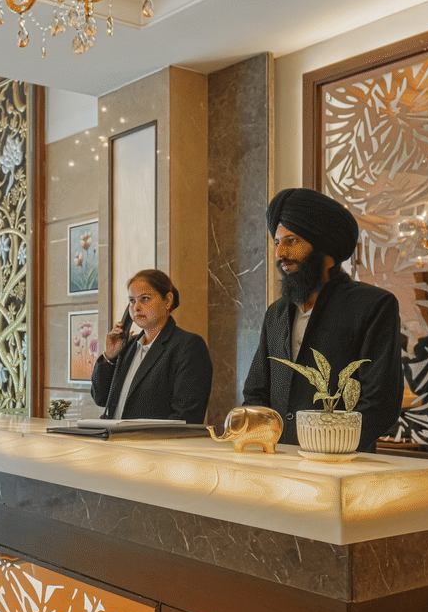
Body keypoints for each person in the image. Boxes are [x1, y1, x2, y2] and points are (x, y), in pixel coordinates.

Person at [241, 188, 403, 452]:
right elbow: (256, 391)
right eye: (277, 242)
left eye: (291, 241)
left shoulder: (372, 306)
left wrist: (328, 450)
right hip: (278, 463)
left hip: (342, 467)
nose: (280, 253)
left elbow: (379, 403)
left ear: (325, 250)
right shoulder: (277, 313)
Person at [91, 269, 213, 423]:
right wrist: (109, 357)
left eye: (145, 299)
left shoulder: (188, 346)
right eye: (132, 301)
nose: (136, 308)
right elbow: (100, 398)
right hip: (115, 442)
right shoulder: (128, 346)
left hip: (151, 445)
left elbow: (186, 418)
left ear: (168, 300)